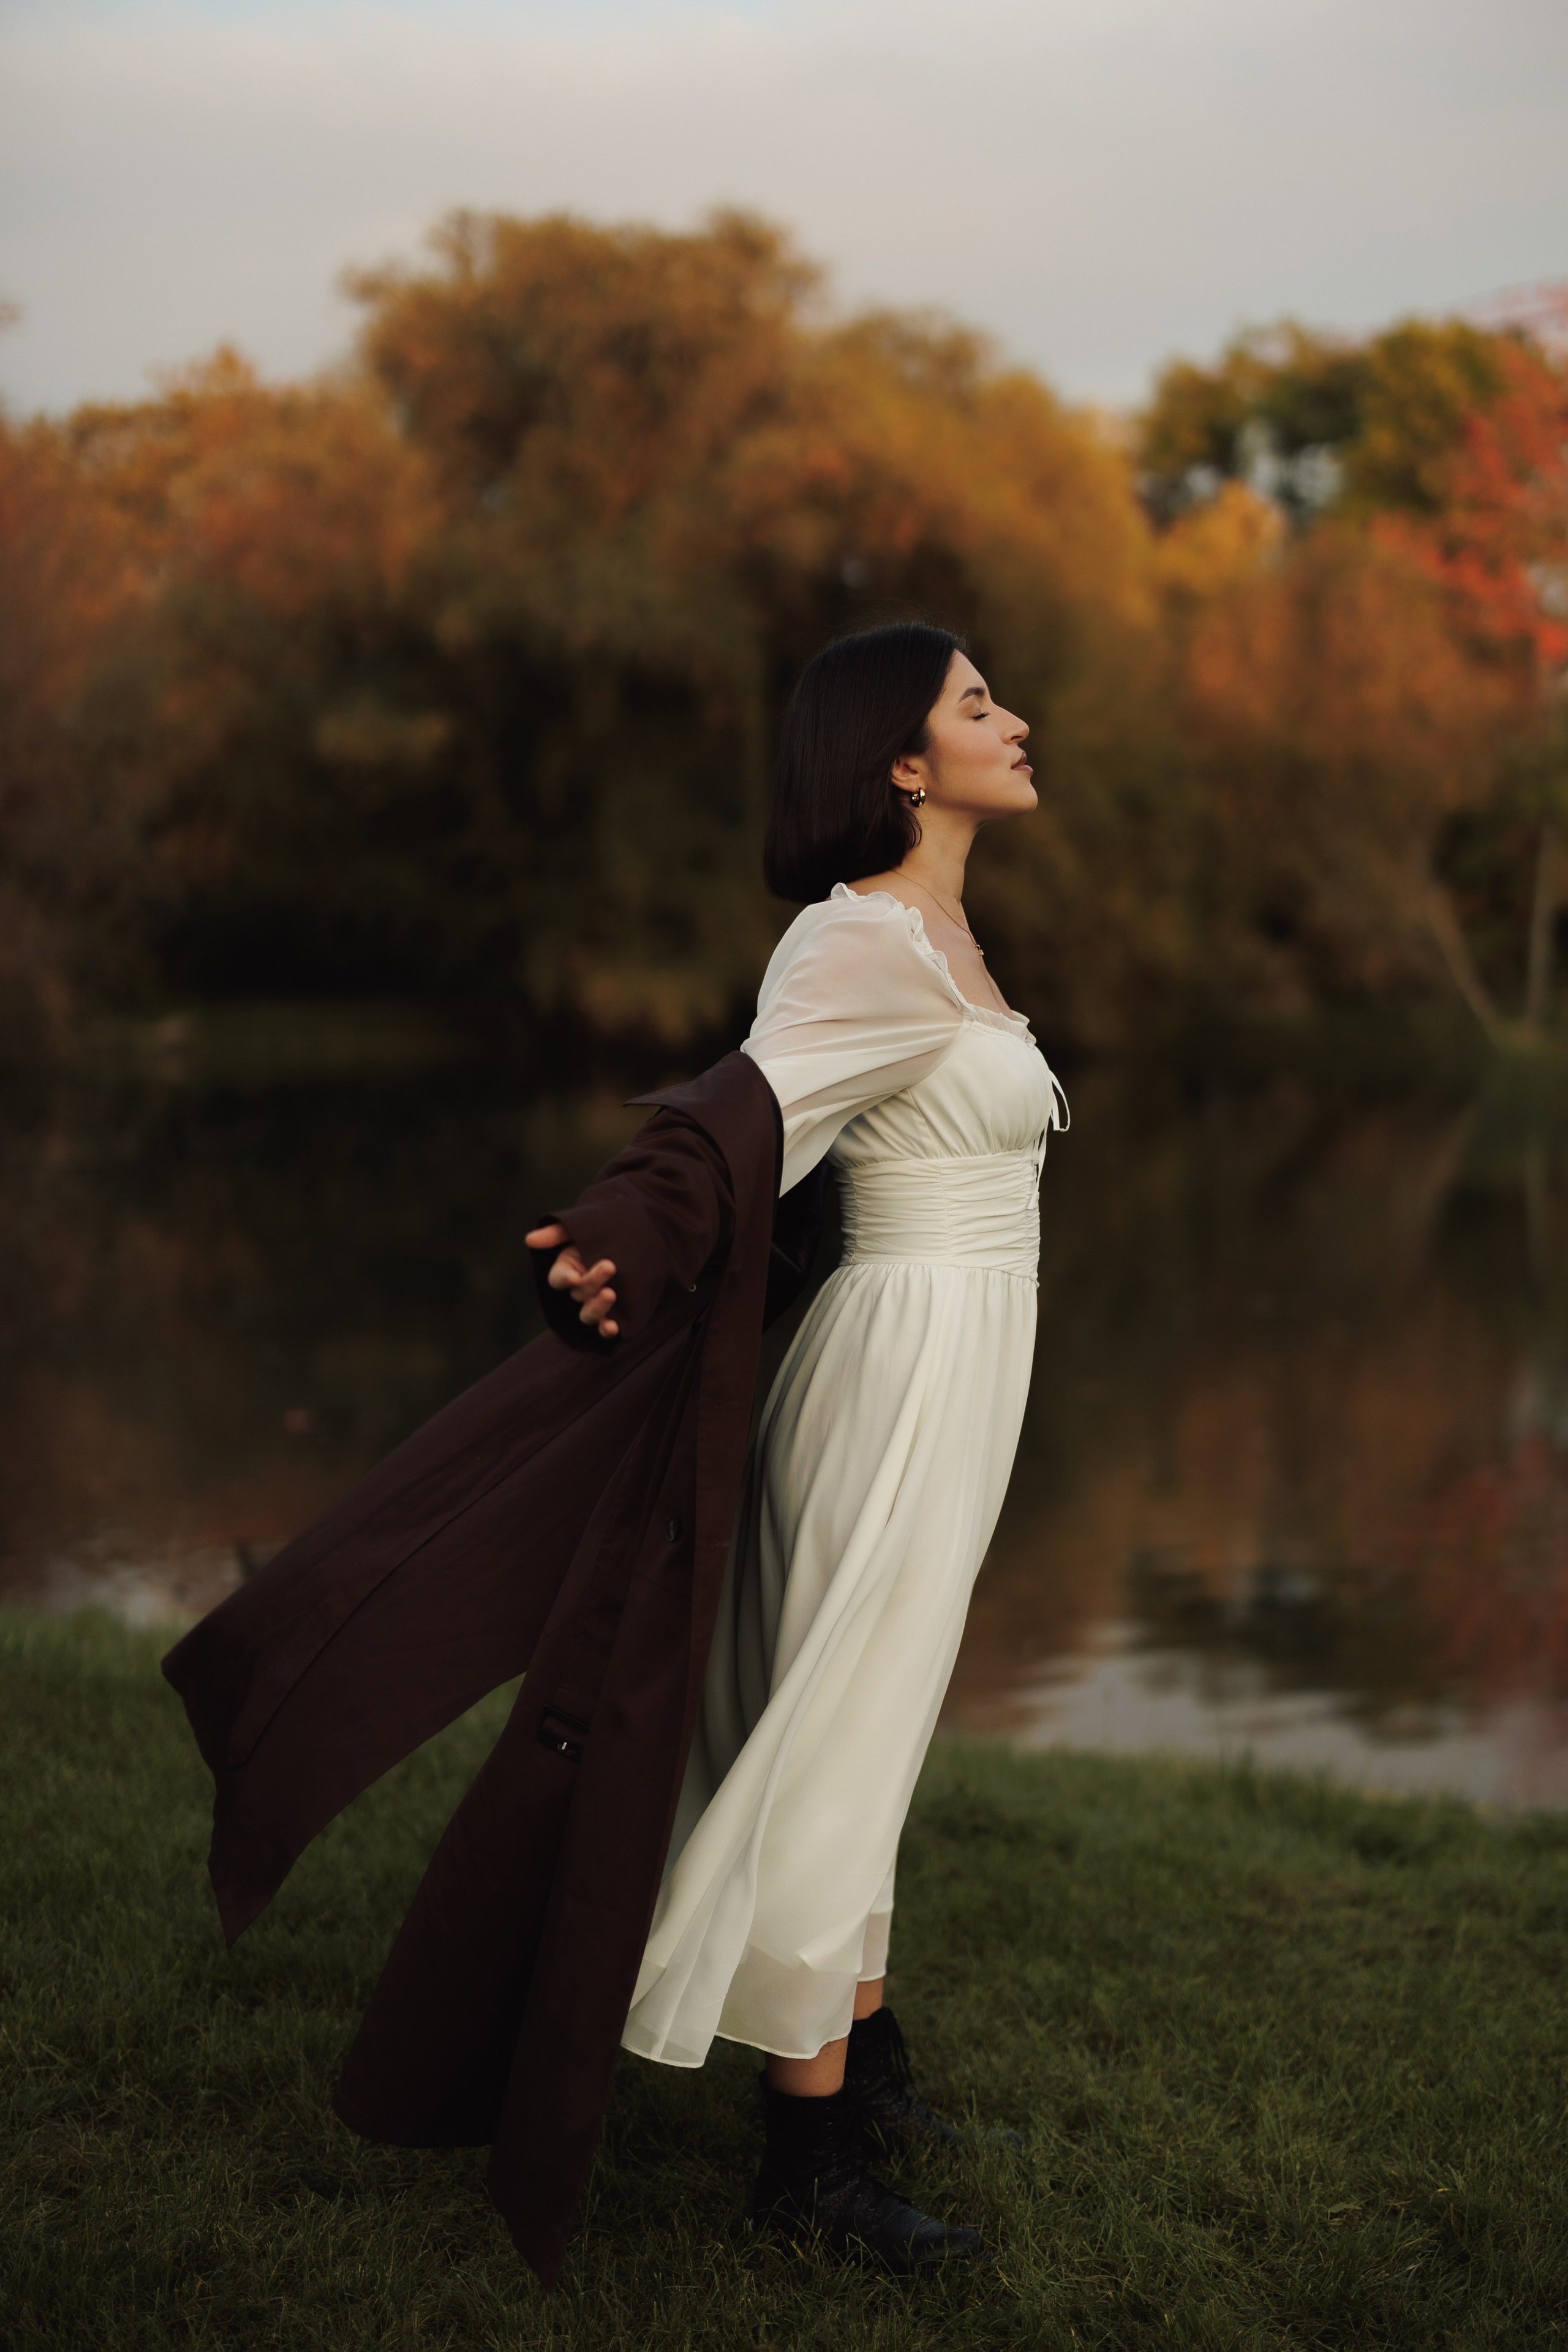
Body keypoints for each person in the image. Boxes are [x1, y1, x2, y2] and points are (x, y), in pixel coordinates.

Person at [527, 621, 1068, 2268]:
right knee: (837, 1734)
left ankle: (865, 2064)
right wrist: (626, 1233)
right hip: (897, 1376)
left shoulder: (945, 936)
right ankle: (806, 2177)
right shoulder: (856, 939)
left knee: (878, 1721)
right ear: (901, 762)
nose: (1016, 721)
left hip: (964, 1368)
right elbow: (740, 1117)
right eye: (978, 704)